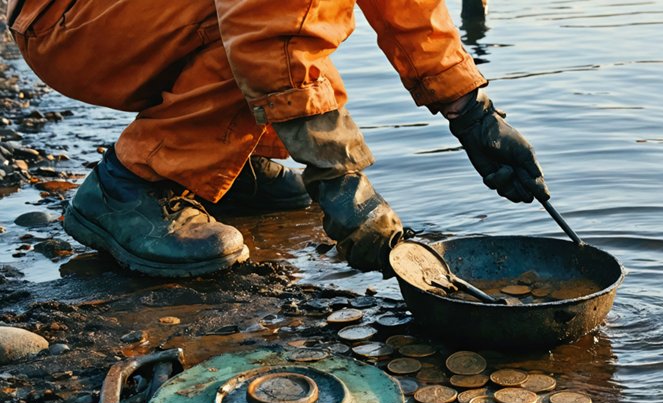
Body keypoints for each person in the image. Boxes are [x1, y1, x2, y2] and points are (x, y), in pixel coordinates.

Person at [5, 0, 549, 277]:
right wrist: (339, 178)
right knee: (277, 27)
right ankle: (131, 185)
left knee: (297, 20)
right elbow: (270, 30)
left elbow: (407, 8)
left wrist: (471, 111)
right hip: (77, 21)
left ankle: (225, 165)